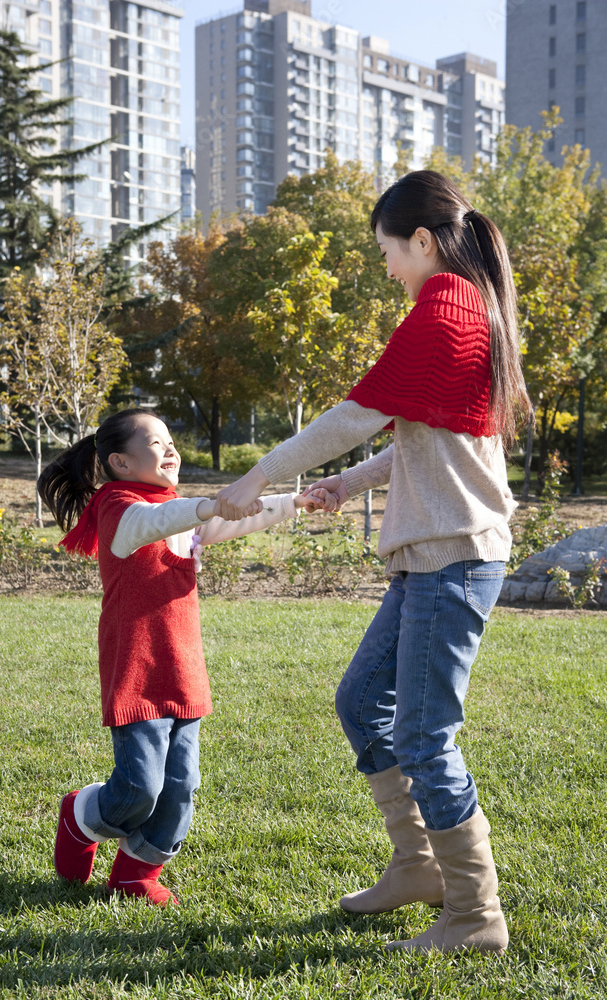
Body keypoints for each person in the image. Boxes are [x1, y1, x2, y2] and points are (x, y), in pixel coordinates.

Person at [214, 170, 531, 954]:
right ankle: (419, 866)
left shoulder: (444, 310)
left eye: (387, 251)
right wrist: (347, 482)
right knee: (362, 701)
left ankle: (473, 915)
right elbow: (430, 442)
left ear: (421, 242)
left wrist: (260, 476)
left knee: (425, 735)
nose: (386, 267)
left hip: (452, 558)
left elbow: (357, 412)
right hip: (437, 554)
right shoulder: (464, 309)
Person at [38, 408, 332, 907]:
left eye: (171, 439)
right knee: (139, 788)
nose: (171, 449)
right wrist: (208, 505)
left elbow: (232, 520)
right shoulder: (119, 509)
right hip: (136, 664)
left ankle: (136, 874)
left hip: (182, 662)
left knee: (180, 786)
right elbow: (155, 521)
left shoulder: (176, 509)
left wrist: (295, 502)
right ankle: (82, 815)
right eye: (156, 442)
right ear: (120, 462)